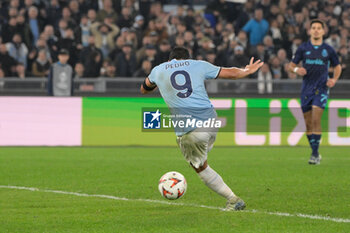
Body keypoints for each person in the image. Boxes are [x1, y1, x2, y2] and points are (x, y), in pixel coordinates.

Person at [140, 47, 263, 211]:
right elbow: (231, 73)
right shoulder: (198, 64)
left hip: (190, 130)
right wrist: (247, 71)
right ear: (187, 58)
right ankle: (225, 190)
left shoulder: (158, 70)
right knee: (201, 152)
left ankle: (233, 199)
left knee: (200, 166)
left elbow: (144, 89)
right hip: (211, 120)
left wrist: (159, 82)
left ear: (170, 60)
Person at [288, 19, 342, 165]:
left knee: (316, 119)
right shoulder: (303, 48)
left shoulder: (328, 50)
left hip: (321, 88)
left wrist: (334, 80)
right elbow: (290, 65)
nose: (316, 30)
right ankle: (314, 151)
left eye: (319, 28)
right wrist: (296, 70)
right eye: (314, 28)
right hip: (306, 89)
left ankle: (315, 153)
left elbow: (337, 67)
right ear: (310, 31)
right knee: (308, 123)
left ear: (323, 31)